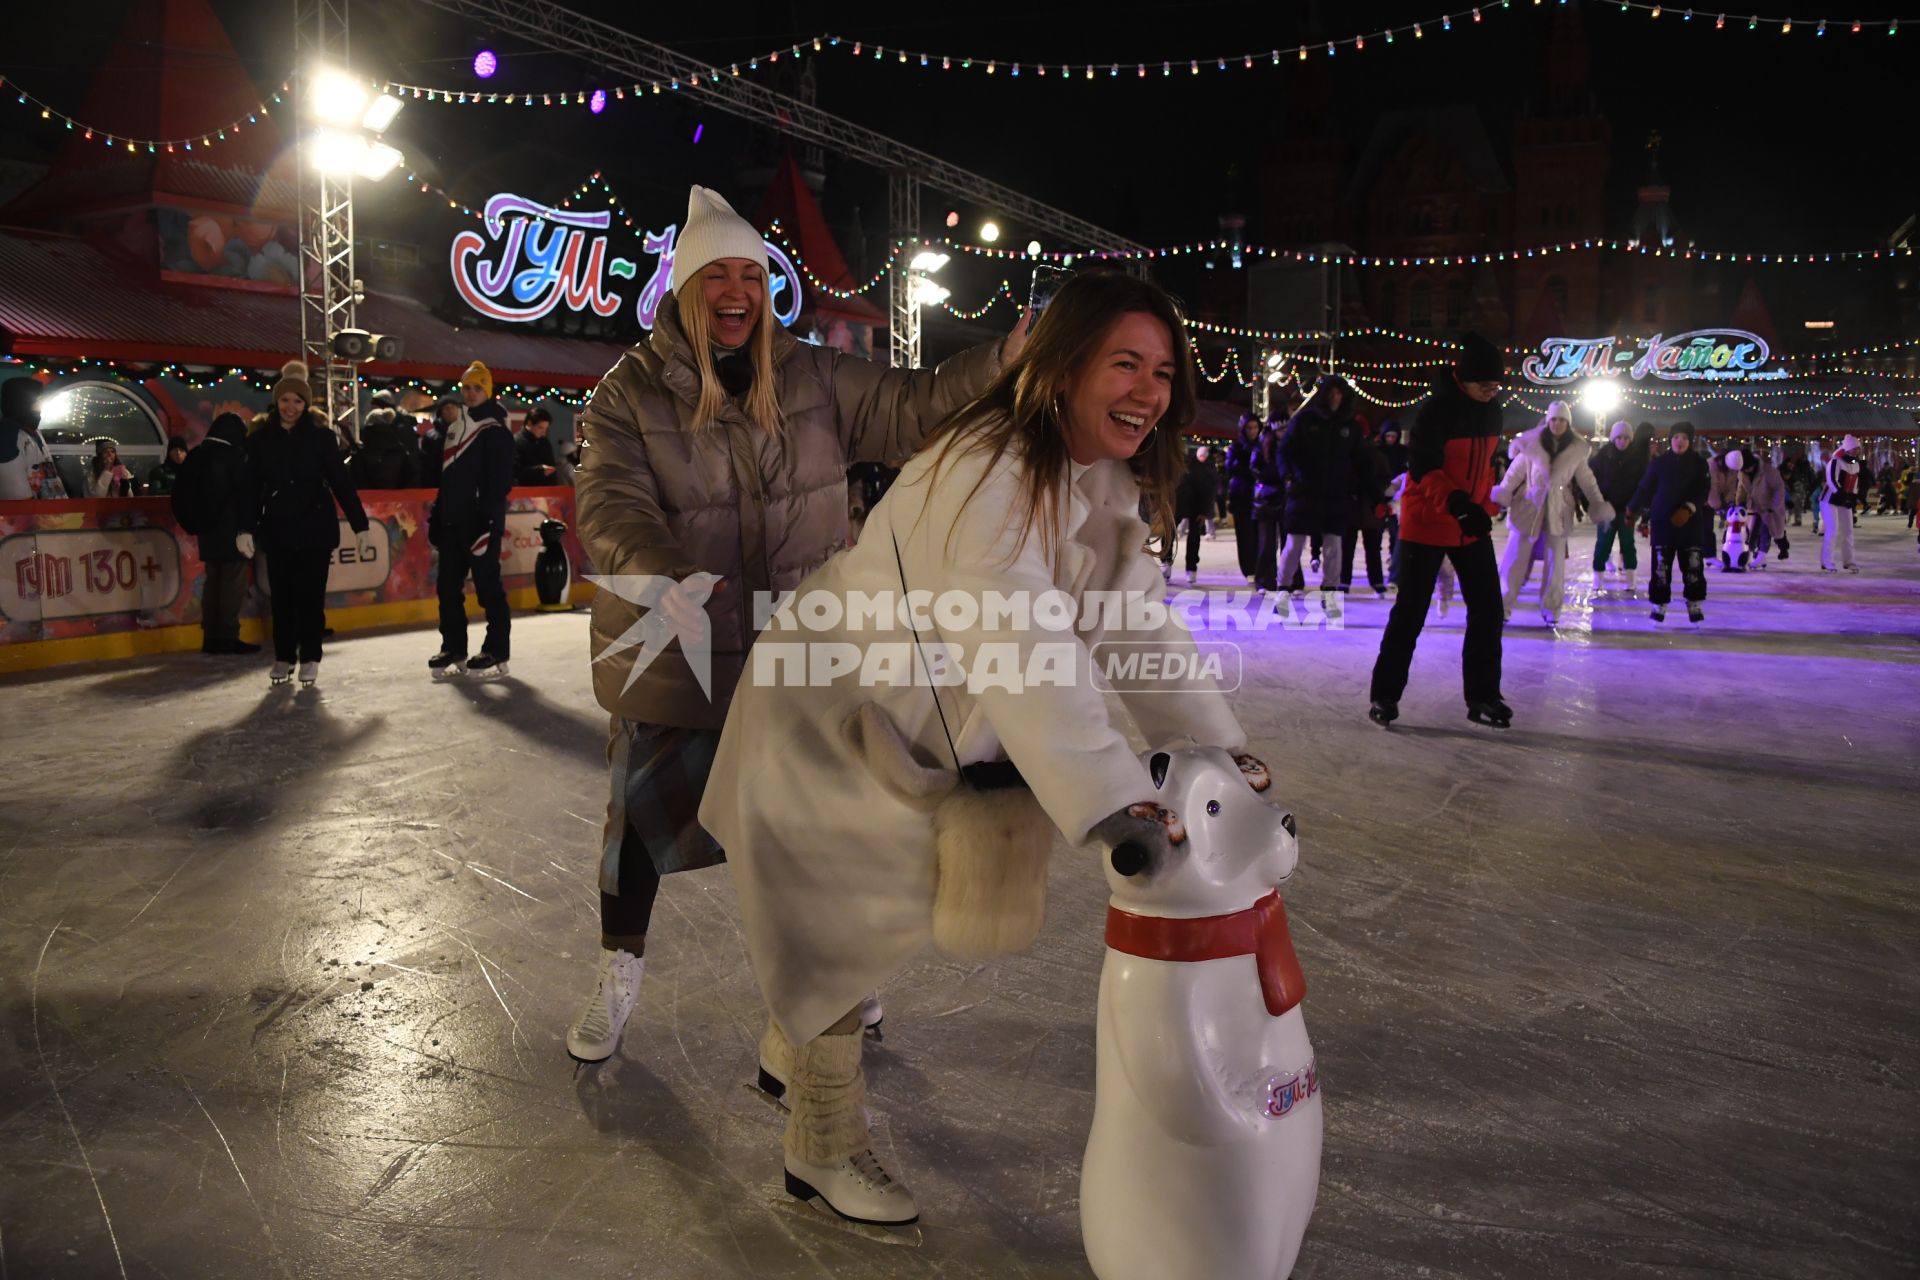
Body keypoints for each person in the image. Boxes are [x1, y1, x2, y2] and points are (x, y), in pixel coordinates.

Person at [701, 269, 1259, 1228]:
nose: (1149, 390)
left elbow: (1131, 625)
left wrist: (1208, 747)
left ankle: (788, 1050)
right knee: (838, 915)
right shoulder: (988, 465)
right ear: (1062, 367)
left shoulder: (1098, 484)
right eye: (1124, 362)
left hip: (905, 721)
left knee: (862, 916)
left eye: (1163, 370)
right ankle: (821, 1147)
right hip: (829, 713)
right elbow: (1017, 628)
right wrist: (1109, 789)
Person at [564, 185, 1021, 1071]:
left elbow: (917, 406)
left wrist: (1005, 357)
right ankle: (617, 973)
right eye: (717, 276)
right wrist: (663, 577)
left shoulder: (812, 375)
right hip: (680, 650)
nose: (737, 290)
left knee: (820, 832)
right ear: (684, 287)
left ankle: (836, 974)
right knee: (642, 831)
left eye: (752, 274)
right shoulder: (629, 395)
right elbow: (608, 500)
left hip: (797, 653)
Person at [1368, 333, 1511, 729]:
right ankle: (1385, 694)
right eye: (1484, 382)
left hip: (1468, 523)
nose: (1491, 390)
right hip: (1428, 520)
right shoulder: (1436, 411)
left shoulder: (1493, 411)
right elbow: (1423, 468)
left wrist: (1482, 507)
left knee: (1488, 609)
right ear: (1463, 377)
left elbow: (1482, 470)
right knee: (1411, 611)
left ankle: (1483, 695)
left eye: (1496, 384)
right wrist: (1458, 504)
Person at [239, 361, 375, 685]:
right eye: (285, 400)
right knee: (282, 598)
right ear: (277, 400)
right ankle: (284, 657)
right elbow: (248, 486)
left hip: (314, 528)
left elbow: (341, 482)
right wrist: (245, 527)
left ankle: (310, 656)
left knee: (311, 598)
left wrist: (360, 525)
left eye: (298, 401)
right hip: (278, 529)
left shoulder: (321, 437)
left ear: (306, 404)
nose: (291, 407)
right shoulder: (260, 439)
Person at [427, 362, 516, 678]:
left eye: (477, 387)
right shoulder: (454, 428)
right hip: (452, 523)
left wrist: (487, 520)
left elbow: (500, 483)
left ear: (487, 390)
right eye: (466, 387)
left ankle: (496, 648)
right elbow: (447, 477)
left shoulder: (495, 430)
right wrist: (438, 515)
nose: (471, 393)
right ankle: (454, 645)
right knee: (447, 588)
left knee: (487, 587)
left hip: (480, 523)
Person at [1493, 401, 1612, 627]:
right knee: (1515, 560)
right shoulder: (1532, 445)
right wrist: (1504, 493)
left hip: (1558, 510)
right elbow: (1514, 473)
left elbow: (1587, 480)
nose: (1557, 424)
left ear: (1568, 423)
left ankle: (1551, 607)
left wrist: (1597, 503)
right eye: (1554, 420)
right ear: (1548, 422)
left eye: (1562, 420)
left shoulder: (1576, 450)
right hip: (1528, 507)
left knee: (1555, 564)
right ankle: (1503, 605)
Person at [1275, 373, 1378, 622]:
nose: (1335, 397)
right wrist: (1288, 477)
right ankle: (1282, 592)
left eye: (1339, 393)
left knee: (1334, 546)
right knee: (1294, 545)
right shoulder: (1304, 420)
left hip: (1335, 496)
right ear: (1323, 395)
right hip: (1304, 492)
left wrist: (1371, 490)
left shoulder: (1350, 427)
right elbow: (1284, 451)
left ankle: (1330, 594)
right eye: (1331, 393)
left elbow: (1363, 461)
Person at [170, 412, 258, 654]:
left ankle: (211, 636)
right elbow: (243, 494)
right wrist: (245, 528)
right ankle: (228, 636)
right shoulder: (234, 456)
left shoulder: (197, 454)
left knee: (213, 582)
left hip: (207, 531)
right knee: (232, 583)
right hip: (231, 531)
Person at [1627, 423, 1711, 623]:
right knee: (1661, 568)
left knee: (1693, 567)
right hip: (1663, 523)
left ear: (1689, 441)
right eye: (1675, 437)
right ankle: (1659, 604)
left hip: (1690, 525)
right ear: (1670, 440)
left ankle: (1694, 604)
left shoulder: (1699, 463)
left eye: (1683, 437)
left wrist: (1690, 507)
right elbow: (1645, 487)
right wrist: (1632, 508)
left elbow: (1703, 490)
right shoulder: (1659, 463)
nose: (1679, 441)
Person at [1589, 420, 1652, 595]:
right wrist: (1596, 501)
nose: (1622, 441)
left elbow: (1643, 483)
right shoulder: (1603, 456)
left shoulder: (1637, 458)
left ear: (1630, 439)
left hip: (1628, 510)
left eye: (1626, 438)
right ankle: (1598, 577)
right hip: (1607, 509)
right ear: (1613, 438)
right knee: (1603, 544)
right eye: (1619, 437)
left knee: (1628, 544)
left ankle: (1630, 578)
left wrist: (1637, 506)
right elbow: (1591, 478)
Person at [0, 378, 68, 499]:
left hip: (51, 514)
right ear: (22, 402)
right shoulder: (7, 436)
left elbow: (49, 474)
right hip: (29, 516)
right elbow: (18, 497)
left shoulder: (33, 432)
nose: (40, 407)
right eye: (37, 401)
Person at [1167, 443, 1218, 584]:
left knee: (1194, 537)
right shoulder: (1172, 466)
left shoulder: (1201, 467)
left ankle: (1191, 568)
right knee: (1169, 533)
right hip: (1177, 504)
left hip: (1195, 505)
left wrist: (1203, 511)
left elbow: (1207, 489)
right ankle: (1166, 562)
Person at [350, 392, 421, 489]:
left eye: (373, 405)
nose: (370, 408)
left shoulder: (366, 447)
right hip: (397, 495)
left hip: (371, 497)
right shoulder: (399, 440)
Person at [1250, 413, 1287, 592]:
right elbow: (1255, 469)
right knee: (1267, 543)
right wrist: (1277, 477)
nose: (1284, 432)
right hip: (1266, 500)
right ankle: (1264, 580)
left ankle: (1291, 580)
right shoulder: (1263, 445)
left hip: (1287, 499)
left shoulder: (1291, 445)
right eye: (1281, 429)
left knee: (1290, 543)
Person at [1736, 446, 1789, 567]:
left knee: (1771, 531)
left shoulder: (1768, 471)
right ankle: (1756, 553)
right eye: (1745, 469)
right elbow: (1742, 488)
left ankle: (1763, 555)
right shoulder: (1742, 473)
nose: (1747, 470)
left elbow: (1779, 488)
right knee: (1753, 532)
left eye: (1748, 468)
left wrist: (1774, 506)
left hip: (1769, 508)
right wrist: (1740, 502)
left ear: (1753, 464)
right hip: (1755, 506)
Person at [1223, 415, 1261, 584]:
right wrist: (1249, 468)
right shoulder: (1236, 448)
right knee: (1245, 537)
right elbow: (1230, 468)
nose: (1252, 431)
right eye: (1249, 428)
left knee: (1262, 537)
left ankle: (1261, 568)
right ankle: (1249, 570)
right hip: (1242, 498)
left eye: (1255, 427)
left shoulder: (1263, 445)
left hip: (1261, 498)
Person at [1821, 434, 1865, 573]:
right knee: (1832, 530)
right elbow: (1832, 481)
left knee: (1848, 531)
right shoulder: (1835, 461)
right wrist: (1842, 495)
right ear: (1848, 448)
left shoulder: (1855, 464)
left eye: (1858, 449)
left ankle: (1849, 561)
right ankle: (1827, 561)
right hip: (1830, 500)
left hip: (1844, 500)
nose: (1857, 451)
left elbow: (1855, 482)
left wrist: (1853, 497)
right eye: (1855, 448)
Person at [513, 406, 562, 486]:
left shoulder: (545, 442)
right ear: (529, 423)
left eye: (546, 429)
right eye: (540, 428)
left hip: (546, 493)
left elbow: (552, 469)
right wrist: (539, 471)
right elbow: (514, 471)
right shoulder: (516, 441)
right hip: (525, 493)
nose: (543, 433)